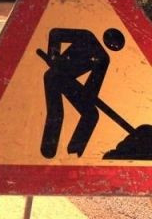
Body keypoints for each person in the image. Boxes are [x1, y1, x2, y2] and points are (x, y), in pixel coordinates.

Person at [37, 28, 125, 158]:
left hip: (68, 82)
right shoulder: (86, 37)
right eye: (111, 44)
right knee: (56, 112)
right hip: (54, 76)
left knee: (91, 114)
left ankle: (74, 153)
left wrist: (89, 96)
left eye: (115, 46)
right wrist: (54, 56)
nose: (111, 47)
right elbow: (55, 33)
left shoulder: (103, 59)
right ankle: (48, 150)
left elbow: (93, 86)